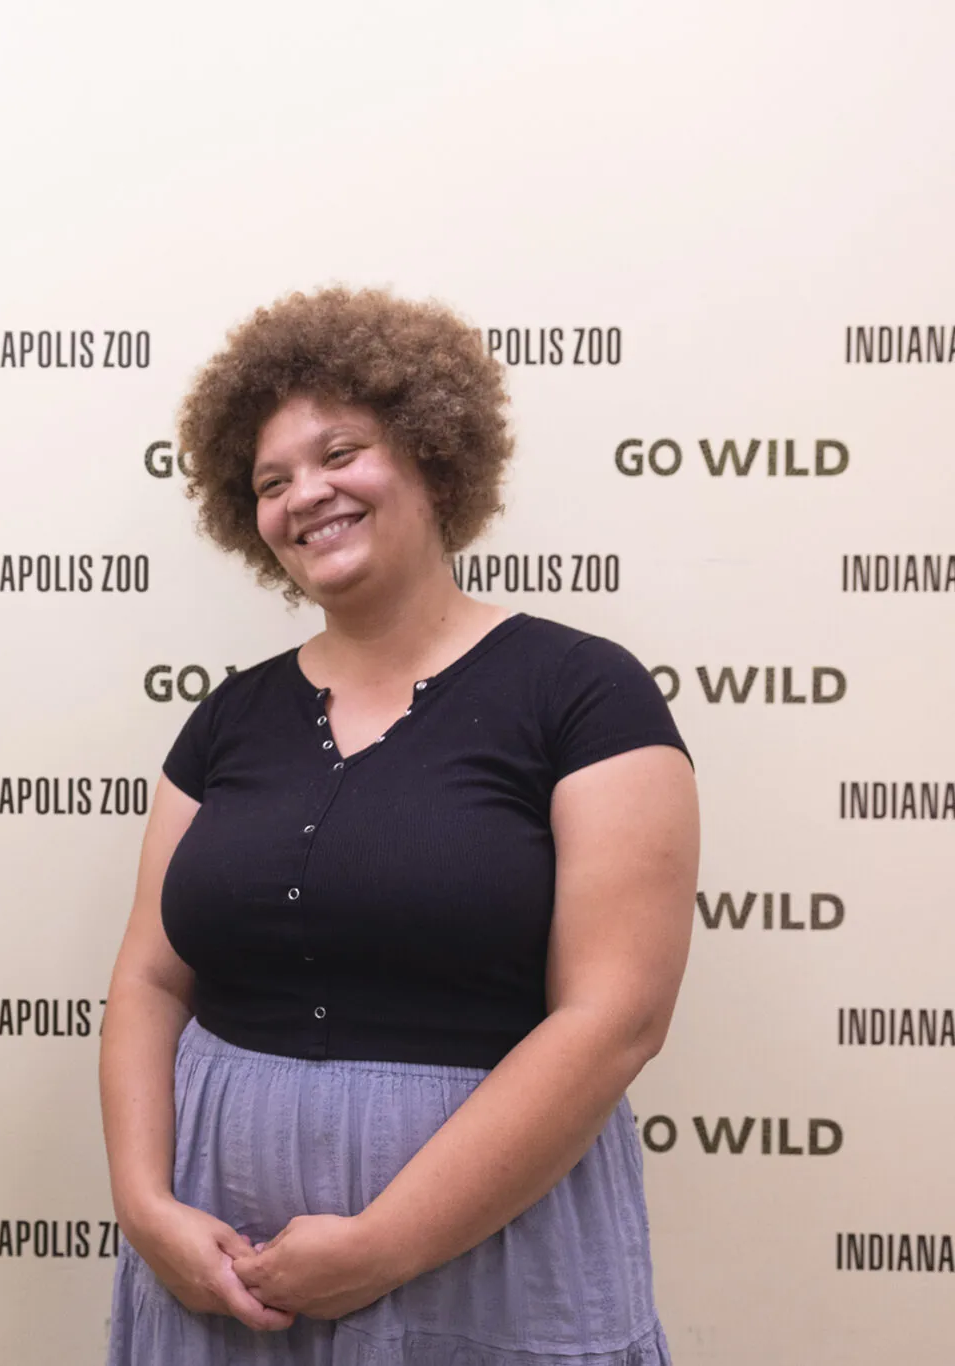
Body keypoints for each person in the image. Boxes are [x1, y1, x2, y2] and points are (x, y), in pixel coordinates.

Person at [100, 287, 699, 1365]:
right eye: (270, 480)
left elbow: (615, 1016)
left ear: (430, 452)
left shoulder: (583, 694)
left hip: (487, 1246)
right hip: (224, 1256)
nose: (304, 495)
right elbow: (147, 978)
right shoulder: (224, 719)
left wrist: (385, 1243)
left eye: (340, 453)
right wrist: (145, 1205)